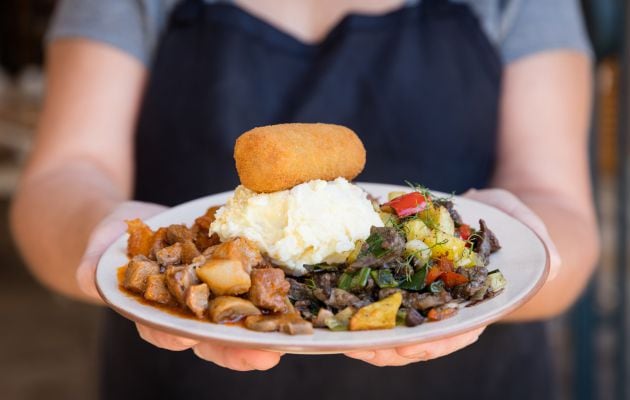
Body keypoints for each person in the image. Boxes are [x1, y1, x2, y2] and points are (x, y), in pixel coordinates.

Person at [10, 0, 599, 399]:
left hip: (474, 380)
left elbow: (560, 206)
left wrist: (523, 248)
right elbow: (66, 171)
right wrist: (104, 240)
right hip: (180, 377)